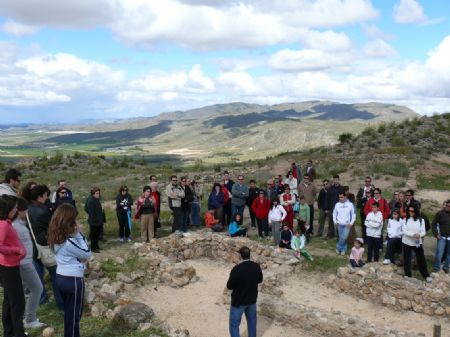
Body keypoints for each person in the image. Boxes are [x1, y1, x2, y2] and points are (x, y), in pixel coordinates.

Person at [48, 204, 91, 337]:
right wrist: (79, 235)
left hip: (61, 277)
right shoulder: (68, 242)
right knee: (74, 317)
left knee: (69, 313)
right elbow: (87, 254)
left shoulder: (55, 237)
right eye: (75, 220)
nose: (77, 223)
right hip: (73, 281)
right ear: (68, 222)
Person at [28, 184, 64, 310]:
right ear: (40, 196)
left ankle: (41, 300)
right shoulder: (42, 212)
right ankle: (62, 304)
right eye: (45, 195)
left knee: (38, 277)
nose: (47, 197)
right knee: (56, 276)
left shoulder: (29, 208)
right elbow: (50, 231)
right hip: (44, 248)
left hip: (33, 248)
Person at [12, 198, 46, 329]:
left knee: (24, 291)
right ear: (19, 210)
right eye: (24, 209)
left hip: (25, 261)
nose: (26, 211)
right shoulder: (15, 226)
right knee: (37, 288)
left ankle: (22, 318)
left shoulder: (19, 222)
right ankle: (30, 319)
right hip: (24, 263)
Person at [0, 194, 27, 337]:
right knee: (17, 302)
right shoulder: (3, 224)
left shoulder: (5, 223)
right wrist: (17, 250)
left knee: (9, 300)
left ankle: (9, 332)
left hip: (8, 266)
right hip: (9, 268)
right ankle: (18, 333)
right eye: (15, 207)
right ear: (9, 209)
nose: (17, 210)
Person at [226, 246, 263, 337]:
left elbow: (229, 286)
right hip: (252, 300)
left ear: (240, 256)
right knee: (252, 322)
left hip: (238, 301)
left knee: (234, 324)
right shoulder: (256, 266)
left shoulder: (237, 269)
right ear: (249, 255)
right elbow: (260, 280)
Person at [402, 205, 431, 282]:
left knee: (421, 259)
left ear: (416, 212)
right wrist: (413, 235)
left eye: (412, 211)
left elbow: (423, 232)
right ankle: (408, 274)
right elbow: (404, 231)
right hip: (407, 242)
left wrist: (419, 235)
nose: (410, 212)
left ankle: (426, 275)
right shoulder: (405, 219)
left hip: (417, 242)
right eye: (409, 211)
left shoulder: (421, 220)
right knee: (407, 259)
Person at [432, 200, 450, 274]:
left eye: (449, 206)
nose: (448, 207)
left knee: (449, 254)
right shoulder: (440, 214)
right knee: (439, 253)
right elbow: (433, 224)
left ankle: (446, 267)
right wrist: (436, 234)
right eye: (447, 205)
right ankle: (436, 267)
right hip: (441, 237)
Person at [325, 175, 344, 239]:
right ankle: (330, 234)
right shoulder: (330, 188)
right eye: (334, 179)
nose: (335, 181)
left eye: (336, 179)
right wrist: (326, 208)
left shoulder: (342, 188)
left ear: (338, 180)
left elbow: (344, 198)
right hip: (331, 208)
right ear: (333, 180)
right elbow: (327, 198)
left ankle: (339, 235)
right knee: (330, 222)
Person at [86, 187, 104, 252]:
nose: (98, 195)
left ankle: (97, 246)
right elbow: (91, 213)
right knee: (93, 235)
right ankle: (93, 248)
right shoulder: (91, 201)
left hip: (99, 221)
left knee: (97, 235)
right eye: (96, 193)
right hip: (94, 222)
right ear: (93, 194)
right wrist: (95, 220)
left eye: (98, 193)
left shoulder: (97, 200)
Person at [356, 176, 375, 241]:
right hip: (362, 207)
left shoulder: (372, 189)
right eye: (366, 181)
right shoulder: (362, 188)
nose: (367, 182)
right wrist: (360, 202)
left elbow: (375, 197)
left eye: (368, 181)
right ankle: (364, 238)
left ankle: (369, 237)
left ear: (370, 182)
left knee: (370, 224)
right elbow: (358, 196)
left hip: (370, 209)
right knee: (363, 224)